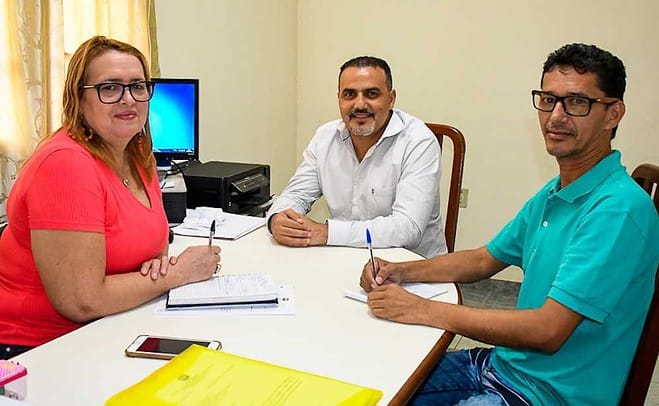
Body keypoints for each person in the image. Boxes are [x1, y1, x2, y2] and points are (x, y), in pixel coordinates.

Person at [360, 43, 659, 405]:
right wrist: (401, 271)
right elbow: (484, 259)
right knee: (378, 386)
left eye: (577, 103)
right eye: (548, 100)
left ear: (613, 114)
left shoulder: (618, 210)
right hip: (504, 367)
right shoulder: (557, 192)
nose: (556, 116)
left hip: (549, 396)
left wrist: (422, 309)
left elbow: (548, 331)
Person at [0, 36, 221, 359]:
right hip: (37, 350)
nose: (128, 99)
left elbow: (153, 257)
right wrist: (179, 273)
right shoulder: (66, 164)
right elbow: (82, 301)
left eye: (138, 86)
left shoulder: (137, 153)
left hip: (113, 325)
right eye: (110, 88)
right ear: (79, 98)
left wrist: (155, 273)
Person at [267, 56, 447, 258]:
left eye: (372, 94)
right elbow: (296, 195)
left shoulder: (418, 141)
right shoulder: (325, 137)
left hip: (412, 266)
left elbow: (407, 228)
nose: (359, 104)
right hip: (345, 257)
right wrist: (278, 219)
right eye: (349, 94)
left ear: (391, 98)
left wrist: (326, 233)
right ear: (339, 98)